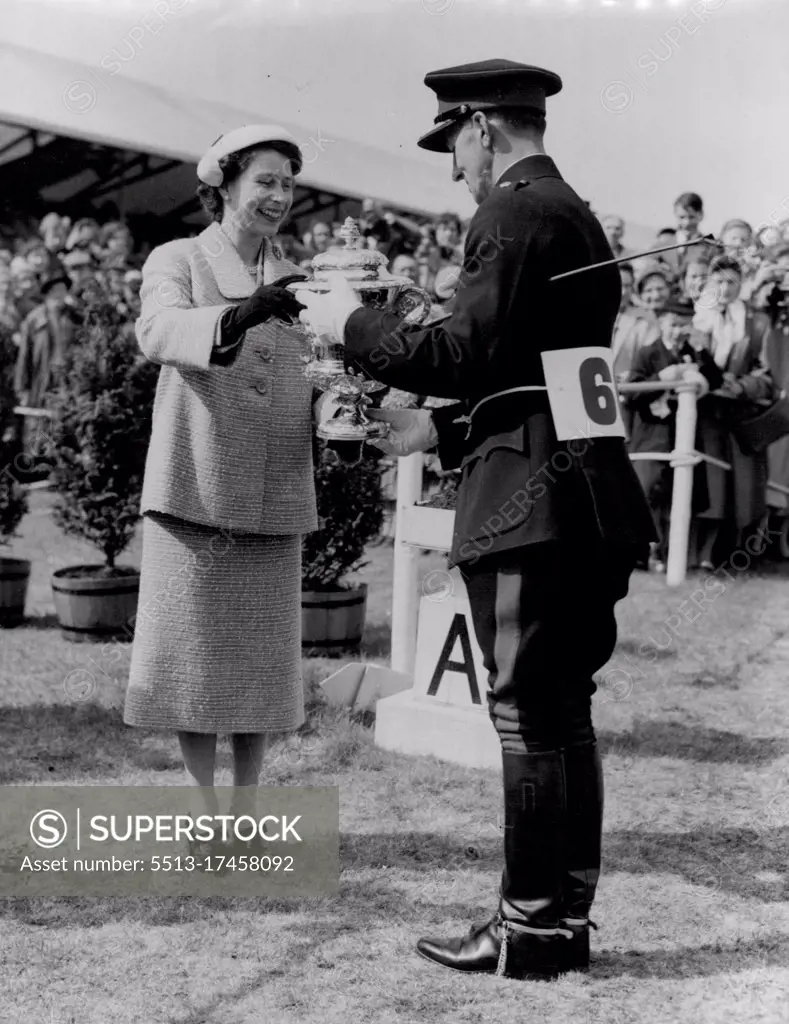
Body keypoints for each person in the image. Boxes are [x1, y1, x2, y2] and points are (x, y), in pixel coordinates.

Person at [297, 58, 655, 981]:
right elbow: (548, 372)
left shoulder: (507, 210)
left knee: (527, 715)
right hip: (584, 491)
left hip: (532, 510)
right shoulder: (568, 211)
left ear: (482, 129)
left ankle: (529, 928)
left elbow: (461, 348)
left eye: (451, 144)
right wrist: (447, 424)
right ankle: (559, 919)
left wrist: (349, 323)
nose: (452, 167)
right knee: (560, 712)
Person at [123, 125, 323, 856]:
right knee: (192, 659)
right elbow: (158, 330)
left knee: (262, 663)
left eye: (288, 183)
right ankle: (204, 813)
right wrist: (241, 314)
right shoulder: (176, 258)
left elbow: (320, 369)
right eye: (266, 180)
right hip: (194, 485)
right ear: (226, 185)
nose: (278, 196)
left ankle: (247, 809)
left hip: (274, 489)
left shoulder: (295, 273)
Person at [689, 254, 776, 567]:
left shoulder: (757, 323)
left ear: (742, 285)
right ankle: (701, 556)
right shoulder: (697, 318)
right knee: (709, 485)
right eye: (719, 281)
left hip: (740, 415)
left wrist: (741, 386)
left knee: (742, 489)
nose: (724, 288)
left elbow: (768, 376)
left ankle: (738, 554)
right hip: (704, 414)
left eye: (731, 282)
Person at [627, 298, 708, 571]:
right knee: (647, 496)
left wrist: (702, 357)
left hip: (682, 437)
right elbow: (631, 393)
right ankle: (642, 555)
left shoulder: (693, 353)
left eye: (683, 326)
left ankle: (670, 554)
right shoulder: (647, 352)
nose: (677, 331)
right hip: (652, 437)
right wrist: (663, 377)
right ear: (661, 323)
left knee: (678, 499)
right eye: (673, 324)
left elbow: (715, 382)